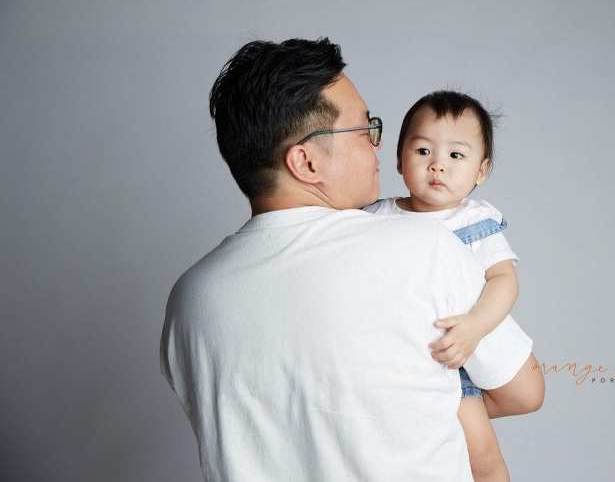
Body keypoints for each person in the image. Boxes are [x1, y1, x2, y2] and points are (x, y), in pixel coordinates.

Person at [159, 38, 544, 482]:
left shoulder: (189, 299)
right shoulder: (422, 248)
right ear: (305, 162)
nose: (377, 147)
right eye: (364, 131)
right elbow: (525, 392)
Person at [363, 90, 538, 481]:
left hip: (454, 358)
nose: (438, 165)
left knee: (483, 458)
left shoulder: (473, 221)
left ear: (481, 171)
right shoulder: (373, 217)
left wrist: (475, 327)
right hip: (407, 358)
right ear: (399, 159)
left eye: (456, 155)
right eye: (423, 151)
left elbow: (504, 280)